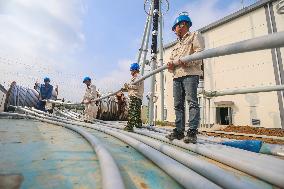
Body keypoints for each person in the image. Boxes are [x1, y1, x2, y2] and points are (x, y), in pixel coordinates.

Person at [165, 12, 205, 144]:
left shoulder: (195, 35)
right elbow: (171, 63)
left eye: (175, 27)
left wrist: (187, 61)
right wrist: (170, 65)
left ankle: (192, 132)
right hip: (177, 76)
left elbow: (200, 54)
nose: (175, 31)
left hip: (190, 74)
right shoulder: (176, 46)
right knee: (178, 105)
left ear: (182, 25)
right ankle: (179, 131)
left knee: (192, 102)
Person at [123, 63, 144, 132]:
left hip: (136, 97)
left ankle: (130, 126)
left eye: (131, 70)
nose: (131, 72)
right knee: (137, 112)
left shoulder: (138, 77)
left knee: (132, 111)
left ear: (135, 70)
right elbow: (132, 88)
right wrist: (125, 89)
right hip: (136, 97)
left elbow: (136, 86)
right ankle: (138, 124)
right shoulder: (134, 78)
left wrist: (128, 86)